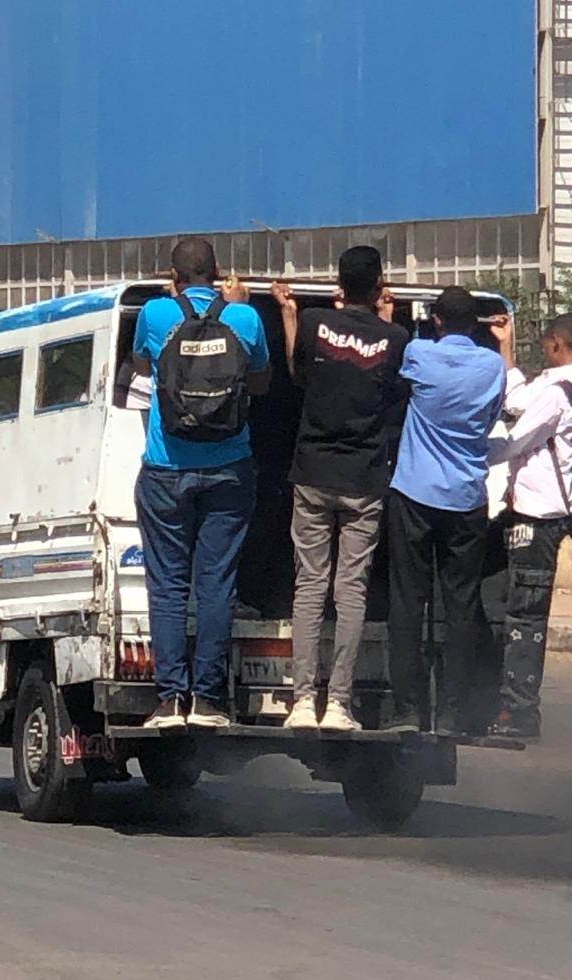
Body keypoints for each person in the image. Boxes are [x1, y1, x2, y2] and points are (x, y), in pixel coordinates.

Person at [134, 237, 270, 730]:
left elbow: (144, 366)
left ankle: (171, 699)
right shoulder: (245, 318)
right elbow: (261, 382)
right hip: (229, 466)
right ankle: (208, 701)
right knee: (216, 584)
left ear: (173, 277)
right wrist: (238, 307)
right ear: (218, 273)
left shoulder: (154, 314)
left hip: (166, 467)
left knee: (168, 586)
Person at [272, 246, 408, 731]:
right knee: (350, 590)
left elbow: (298, 374)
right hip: (363, 480)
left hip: (312, 472)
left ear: (339, 285)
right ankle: (339, 705)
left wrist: (289, 315)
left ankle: (302, 701)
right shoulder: (396, 338)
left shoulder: (314, 323)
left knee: (309, 586)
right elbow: (393, 393)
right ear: (379, 286)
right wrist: (385, 322)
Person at [385, 286, 506, 735]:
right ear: (474, 324)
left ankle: (407, 708)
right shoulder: (492, 366)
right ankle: (454, 710)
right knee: (461, 605)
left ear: (435, 320)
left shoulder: (419, 354)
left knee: (407, 601)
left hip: (415, 492)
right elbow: (493, 416)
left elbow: (395, 383)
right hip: (466, 497)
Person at [486, 313, 572, 739]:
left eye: (545, 344)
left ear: (556, 344)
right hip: (530, 514)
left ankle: (519, 711)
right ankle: (497, 698)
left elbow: (516, 439)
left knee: (525, 618)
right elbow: (518, 400)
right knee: (501, 599)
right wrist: (506, 347)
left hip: (540, 518)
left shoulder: (558, 394)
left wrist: (460, 450)